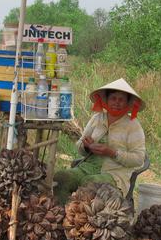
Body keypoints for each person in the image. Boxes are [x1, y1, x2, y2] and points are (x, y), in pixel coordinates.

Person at [53, 78, 146, 206]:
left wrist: (112, 152)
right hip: (86, 168)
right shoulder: (97, 118)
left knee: (90, 183)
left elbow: (139, 159)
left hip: (113, 174)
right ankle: (63, 215)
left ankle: (83, 222)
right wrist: (86, 146)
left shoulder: (133, 125)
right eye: (113, 98)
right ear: (106, 100)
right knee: (61, 178)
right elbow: (79, 146)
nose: (117, 103)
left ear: (127, 103)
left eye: (121, 100)